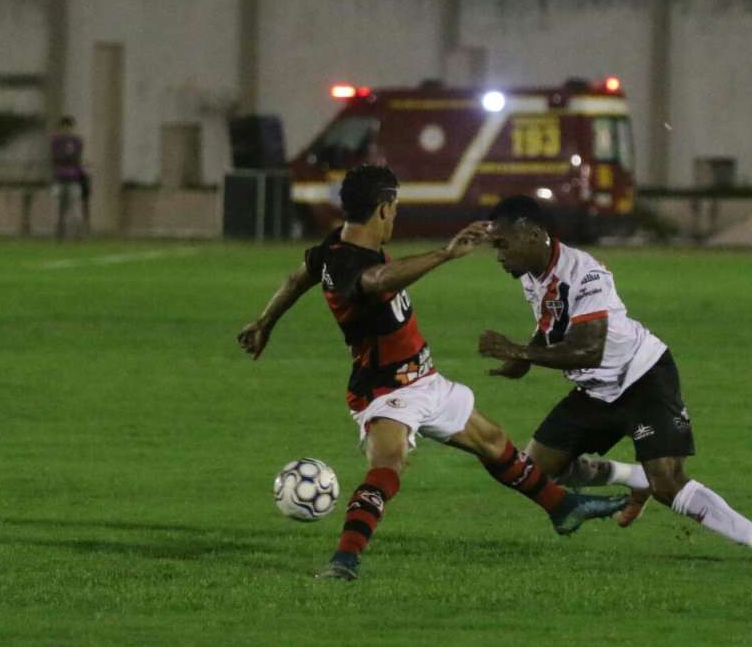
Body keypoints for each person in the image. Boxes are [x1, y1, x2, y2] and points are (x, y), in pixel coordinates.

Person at [237, 166, 626, 581]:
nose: (395, 215)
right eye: (394, 207)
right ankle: (344, 560)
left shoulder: (333, 248)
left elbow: (297, 278)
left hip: (423, 377)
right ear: (384, 208)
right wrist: (444, 254)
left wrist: (264, 322)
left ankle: (563, 507)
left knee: (493, 441)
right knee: (389, 465)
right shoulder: (348, 261)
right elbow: (376, 279)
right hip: (387, 388)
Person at [478, 195, 752, 564]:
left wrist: (519, 351)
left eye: (503, 244)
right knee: (534, 471)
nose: (499, 255)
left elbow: (588, 350)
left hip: (642, 377)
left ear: (533, 234)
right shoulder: (533, 275)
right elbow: (551, 322)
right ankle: (633, 477)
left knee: (668, 483)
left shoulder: (585, 273)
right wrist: (522, 359)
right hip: (597, 390)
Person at [49, 116, 91, 239]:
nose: (67, 129)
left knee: (75, 207)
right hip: (60, 177)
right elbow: (55, 157)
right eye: (65, 127)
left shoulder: (76, 141)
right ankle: (60, 232)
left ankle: (78, 233)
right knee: (59, 207)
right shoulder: (57, 141)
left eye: (68, 127)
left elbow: (76, 158)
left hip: (73, 178)